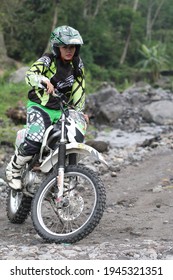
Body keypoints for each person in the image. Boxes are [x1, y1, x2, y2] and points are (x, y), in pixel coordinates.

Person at [6, 25, 88, 190]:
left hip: (62, 110)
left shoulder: (77, 65)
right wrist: (43, 81)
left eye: (72, 46)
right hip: (40, 106)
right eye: (65, 46)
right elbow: (30, 75)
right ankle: (13, 170)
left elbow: (79, 89)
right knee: (34, 142)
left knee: (71, 140)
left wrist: (80, 112)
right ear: (57, 47)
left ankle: (61, 175)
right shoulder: (48, 60)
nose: (69, 50)